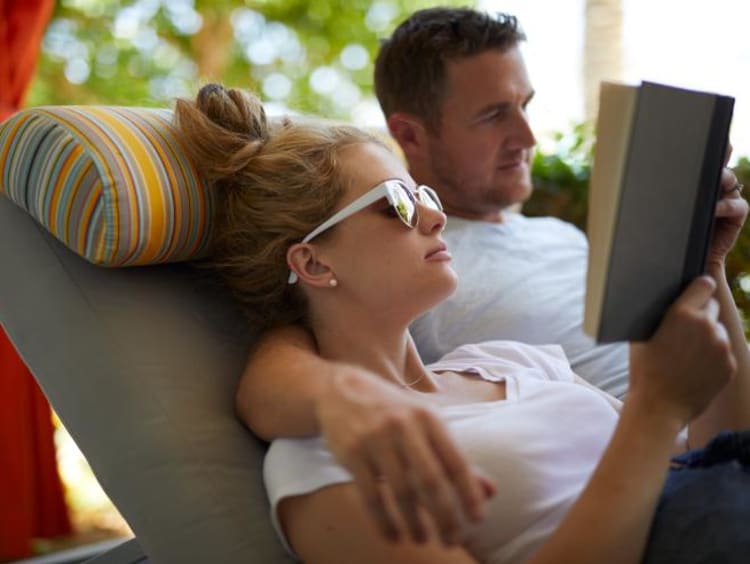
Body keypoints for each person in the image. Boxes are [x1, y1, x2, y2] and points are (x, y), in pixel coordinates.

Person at [231, 7, 750, 544]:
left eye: (525, 106)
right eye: (398, 205)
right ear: (313, 262)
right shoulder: (331, 450)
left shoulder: (511, 353)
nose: (528, 135)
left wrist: (705, 269)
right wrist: (336, 399)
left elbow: (709, 457)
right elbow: (275, 369)